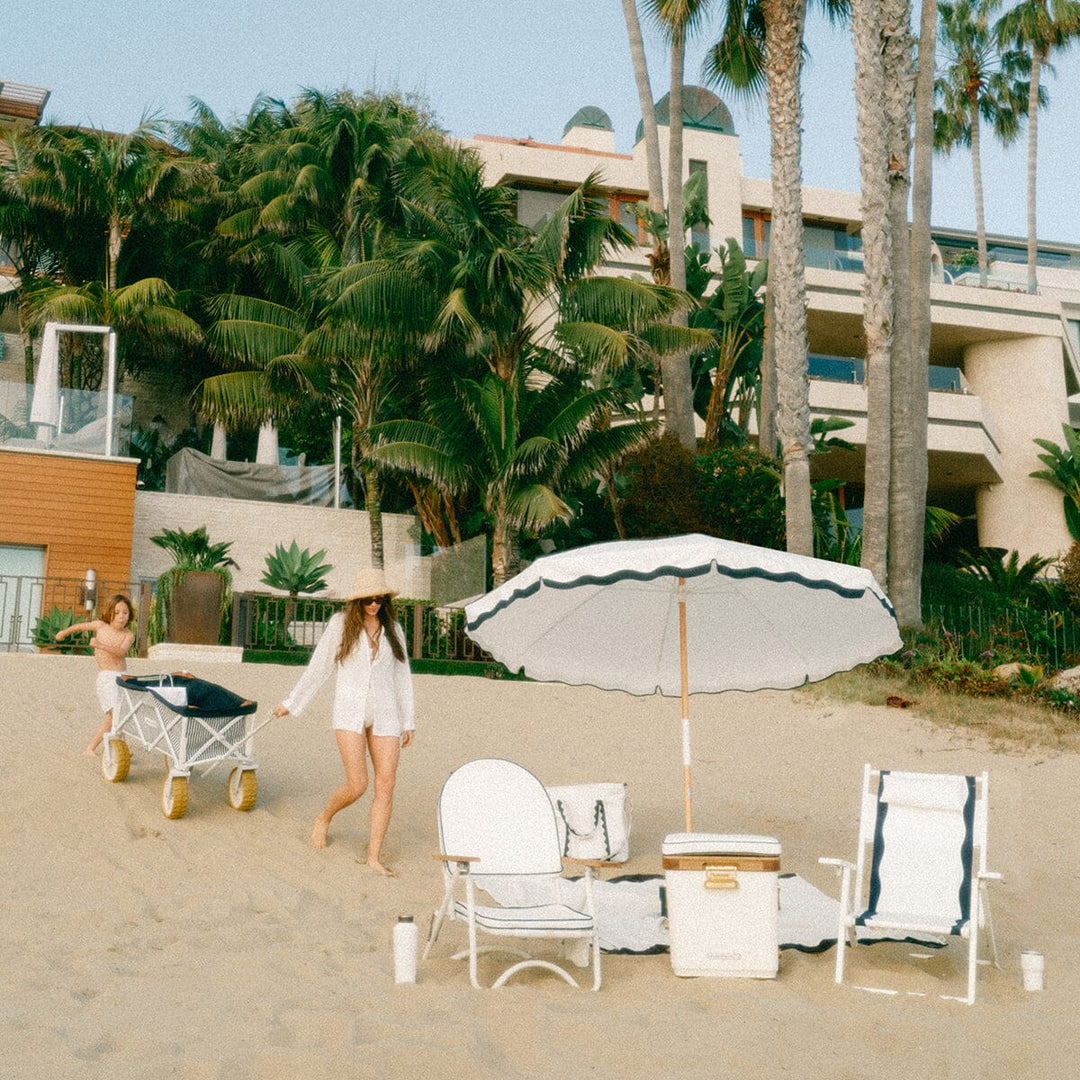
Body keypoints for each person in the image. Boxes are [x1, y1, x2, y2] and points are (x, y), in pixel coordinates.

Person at [273, 568, 415, 876]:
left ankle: (374, 857)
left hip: (387, 713)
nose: (374, 605)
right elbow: (319, 669)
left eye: (379, 599)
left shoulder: (394, 629)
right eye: (368, 599)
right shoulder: (340, 625)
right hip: (350, 711)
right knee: (358, 784)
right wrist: (291, 702)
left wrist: (409, 719)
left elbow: (401, 675)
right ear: (357, 600)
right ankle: (324, 817)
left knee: (386, 784)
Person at [56, 594, 136, 756]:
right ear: (110, 613)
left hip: (122, 677)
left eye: (125, 613)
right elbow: (80, 627)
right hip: (107, 678)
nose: (121, 617)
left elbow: (120, 652)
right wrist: (64, 632)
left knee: (121, 714)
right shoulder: (101, 626)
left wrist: (100, 645)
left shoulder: (128, 635)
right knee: (114, 715)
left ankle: (121, 747)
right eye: (117, 612)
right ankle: (90, 748)